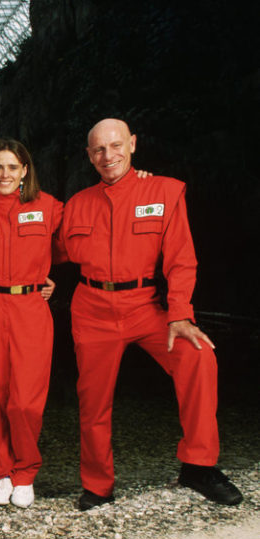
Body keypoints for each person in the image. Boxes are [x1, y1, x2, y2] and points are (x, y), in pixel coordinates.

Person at [60, 118, 242, 510]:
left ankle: (198, 465)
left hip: (147, 307)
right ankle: (97, 486)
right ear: (89, 157)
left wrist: (180, 313)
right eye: (99, 150)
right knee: (93, 401)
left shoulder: (164, 190)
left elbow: (181, 259)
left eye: (116, 145)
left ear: (133, 144)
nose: (109, 156)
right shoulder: (75, 205)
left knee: (198, 358)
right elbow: (46, 253)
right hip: (92, 309)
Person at [0, 139, 61, 509]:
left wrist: (48, 278)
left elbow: (76, 241)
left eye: (11, 167)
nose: (4, 174)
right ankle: (2, 474)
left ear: (24, 171)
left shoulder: (48, 206)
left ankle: (26, 473)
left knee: (26, 400)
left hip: (30, 307)